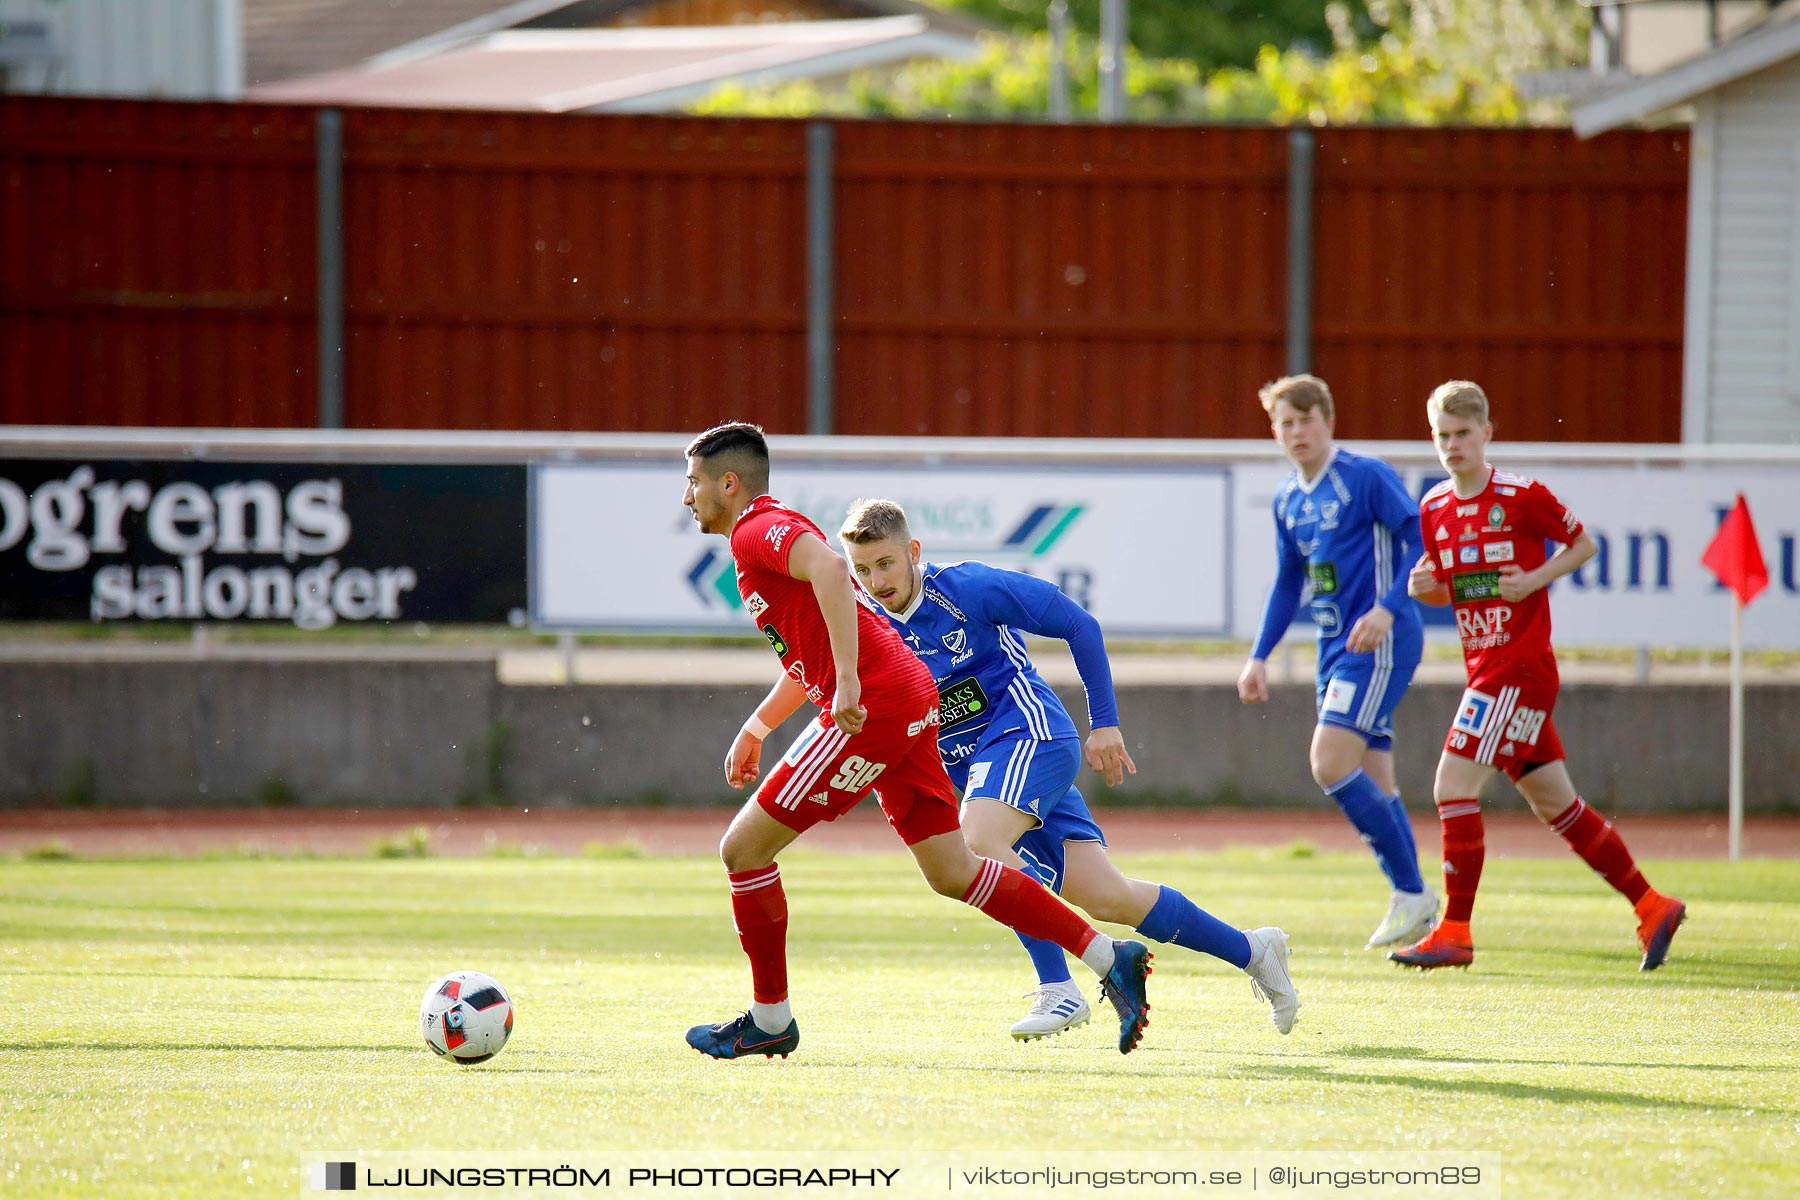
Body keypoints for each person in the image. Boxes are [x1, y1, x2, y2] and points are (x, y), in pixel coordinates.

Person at [678, 422, 1153, 1059]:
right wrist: (761, 724)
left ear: (728, 484)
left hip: (872, 703)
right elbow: (818, 618)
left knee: (743, 850)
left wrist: (847, 678)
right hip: (906, 695)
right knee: (953, 870)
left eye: (694, 482)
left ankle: (769, 1020)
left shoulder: (752, 528)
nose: (688, 497)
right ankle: (1109, 955)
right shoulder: (764, 528)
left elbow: (824, 567)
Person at [838, 498, 1298, 1041]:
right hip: (984, 774)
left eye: (886, 563)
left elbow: (1079, 624)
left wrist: (1104, 722)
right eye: (862, 570)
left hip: (1030, 736)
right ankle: (1254, 950)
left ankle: (1058, 987)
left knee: (978, 843)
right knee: (1108, 896)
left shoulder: (969, 588)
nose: (875, 580)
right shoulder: (861, 623)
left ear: (913, 552)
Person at [1393, 381, 1687, 971]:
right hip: (1487, 667)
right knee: (1559, 806)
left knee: (1451, 788)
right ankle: (1652, 904)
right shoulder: (1433, 510)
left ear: (1487, 433)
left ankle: (1453, 931)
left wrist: (1535, 578)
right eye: (1441, 436)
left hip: (1516, 669)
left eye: (1463, 434)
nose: (1452, 446)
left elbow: (1583, 544)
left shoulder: (1522, 496)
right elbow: (1450, 591)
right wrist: (1423, 591)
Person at [1237, 374, 1438, 950]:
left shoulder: (1364, 477)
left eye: (1305, 419)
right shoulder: (1287, 499)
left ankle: (1411, 893)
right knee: (1374, 777)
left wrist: (1387, 609)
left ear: (1329, 421)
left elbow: (1421, 537)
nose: (1296, 432)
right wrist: (1259, 656)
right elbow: (1286, 583)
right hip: (1336, 651)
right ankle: (1416, 900)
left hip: (1380, 643)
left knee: (1328, 761)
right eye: (1285, 423)